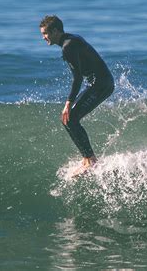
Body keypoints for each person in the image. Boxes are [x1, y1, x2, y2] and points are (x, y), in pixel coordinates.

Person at [39, 15, 114, 175]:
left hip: (101, 85)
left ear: (56, 31)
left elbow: (77, 78)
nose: (43, 37)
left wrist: (68, 103)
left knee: (70, 118)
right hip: (101, 83)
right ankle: (88, 158)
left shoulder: (68, 46)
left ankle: (90, 160)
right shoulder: (71, 39)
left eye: (45, 33)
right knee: (70, 119)